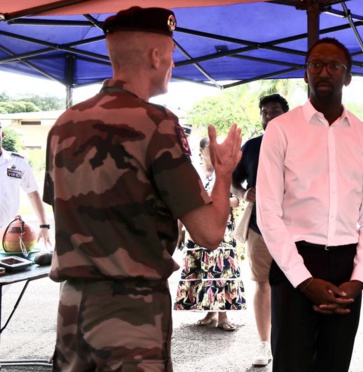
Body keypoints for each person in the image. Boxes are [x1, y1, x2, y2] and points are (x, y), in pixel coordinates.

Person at [42, 7, 242, 371]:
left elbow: (64, 212)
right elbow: (210, 232)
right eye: (172, 56)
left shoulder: (64, 124)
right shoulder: (156, 124)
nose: (173, 65)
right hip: (130, 313)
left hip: (71, 310)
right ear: (155, 56)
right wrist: (225, 172)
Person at [256, 37, 363, 372]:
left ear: (348, 77)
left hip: (346, 266)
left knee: (335, 364)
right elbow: (268, 211)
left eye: (334, 65)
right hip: (294, 262)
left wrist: (358, 280)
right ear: (305, 75)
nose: (323, 71)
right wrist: (304, 280)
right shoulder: (281, 130)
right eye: (316, 64)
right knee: (291, 363)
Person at [231, 93, 289, 366]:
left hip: (296, 228)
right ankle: (264, 345)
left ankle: (289, 342)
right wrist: (243, 194)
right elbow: (232, 180)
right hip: (259, 227)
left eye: (275, 110)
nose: (270, 115)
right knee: (262, 284)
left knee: (295, 286)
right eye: (265, 112)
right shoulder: (252, 146)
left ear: (286, 113)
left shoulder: (301, 143)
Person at [173, 136, 246, 330]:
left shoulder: (226, 172)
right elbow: (184, 202)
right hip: (196, 225)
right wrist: (180, 229)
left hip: (222, 225)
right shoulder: (193, 173)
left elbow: (236, 201)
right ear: (201, 151)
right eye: (209, 149)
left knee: (221, 269)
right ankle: (210, 312)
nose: (214, 153)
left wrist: (211, 199)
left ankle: (223, 316)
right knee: (203, 269)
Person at [0, 123, 51, 247]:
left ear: (2, 135)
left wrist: (44, 225)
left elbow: (33, 193)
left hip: (9, 234)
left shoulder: (18, 162)